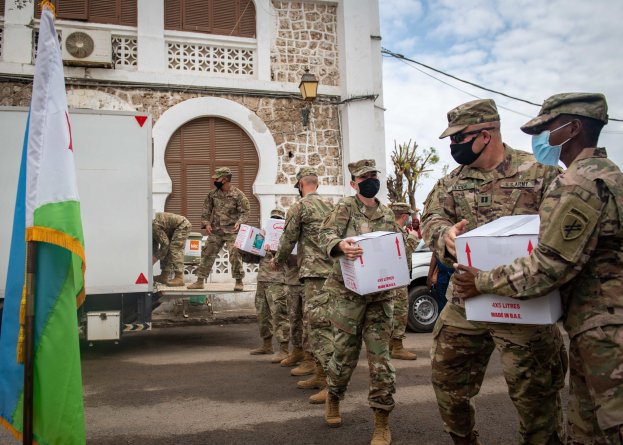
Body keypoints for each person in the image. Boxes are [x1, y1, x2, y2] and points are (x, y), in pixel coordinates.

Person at [453, 93, 623, 445]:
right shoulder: (611, 175)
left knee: (601, 429)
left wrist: (481, 281)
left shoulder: (578, 184)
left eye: (548, 128)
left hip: (603, 330)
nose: (542, 137)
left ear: (573, 128)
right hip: (598, 323)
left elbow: (547, 266)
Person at [421, 98, 567, 445]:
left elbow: (560, 236)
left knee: (536, 400)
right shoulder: (451, 182)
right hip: (465, 303)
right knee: (447, 383)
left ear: (485, 135)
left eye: (459, 138)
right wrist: (446, 235)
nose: (453, 146)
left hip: (524, 305)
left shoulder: (540, 174)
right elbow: (431, 218)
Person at [319, 159, 407, 445]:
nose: (370, 179)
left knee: (381, 360)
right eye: (364, 176)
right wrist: (340, 245)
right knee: (344, 355)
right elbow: (326, 234)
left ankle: (382, 420)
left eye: (373, 175)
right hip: (348, 295)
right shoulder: (345, 207)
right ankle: (334, 396)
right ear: (353, 182)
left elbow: (395, 243)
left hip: (381, 296)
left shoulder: (387, 213)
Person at [272, 166, 335, 405]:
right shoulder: (332, 206)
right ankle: (319, 374)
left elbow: (288, 239)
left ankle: (327, 381)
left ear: (301, 185)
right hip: (333, 274)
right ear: (316, 184)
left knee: (316, 327)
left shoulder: (299, 207)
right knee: (322, 324)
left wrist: (277, 260)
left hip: (313, 275)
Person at [238, 209, 293, 362]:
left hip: (278, 282)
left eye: (278, 219)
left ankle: (284, 349)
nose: (275, 221)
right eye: (273, 219)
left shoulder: (288, 239)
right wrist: (243, 252)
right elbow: (255, 258)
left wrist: (276, 248)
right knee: (262, 314)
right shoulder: (264, 237)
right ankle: (267, 344)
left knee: (279, 315)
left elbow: (288, 258)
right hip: (262, 280)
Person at [188, 167, 250, 291]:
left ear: (225, 179)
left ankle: (239, 281)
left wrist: (240, 222)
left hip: (232, 231)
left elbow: (245, 212)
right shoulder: (212, 194)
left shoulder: (238, 195)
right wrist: (206, 224)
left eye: (217, 178)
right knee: (207, 253)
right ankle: (200, 281)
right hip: (216, 230)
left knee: (235, 255)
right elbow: (205, 211)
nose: (215, 180)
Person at [389, 202, 420, 360]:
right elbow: (403, 252)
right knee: (400, 312)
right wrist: (414, 238)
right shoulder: (397, 231)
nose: (410, 218)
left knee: (392, 312)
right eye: (409, 215)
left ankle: (390, 345)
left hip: (394, 277)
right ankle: (397, 347)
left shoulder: (392, 229)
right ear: (404, 216)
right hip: (398, 278)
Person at [152, 212, 192, 287]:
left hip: (182, 225)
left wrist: (156, 257)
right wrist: (154, 254)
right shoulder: (149, 226)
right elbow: (155, 243)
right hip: (172, 229)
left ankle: (179, 277)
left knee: (175, 248)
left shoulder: (152, 225)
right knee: (167, 249)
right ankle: (164, 275)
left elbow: (165, 243)